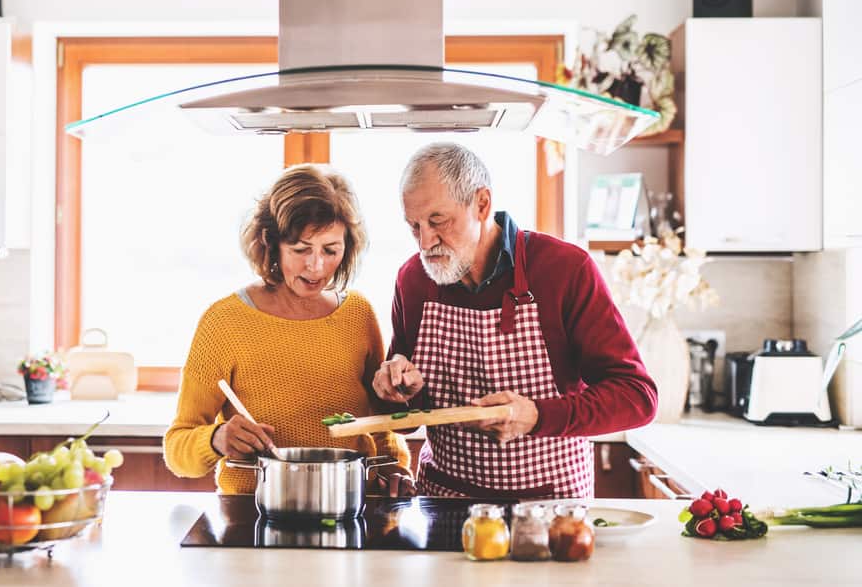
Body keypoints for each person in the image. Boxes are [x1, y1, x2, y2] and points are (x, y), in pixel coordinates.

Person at [372, 142, 658, 499]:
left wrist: (536, 415)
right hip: (444, 501)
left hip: (550, 506)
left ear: (482, 203)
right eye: (414, 226)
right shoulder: (413, 280)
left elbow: (637, 397)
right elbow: (404, 408)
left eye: (438, 221)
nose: (425, 242)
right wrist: (399, 389)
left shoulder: (564, 270)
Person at [164, 164, 414, 496]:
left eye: (330, 250)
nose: (316, 266)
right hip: (254, 513)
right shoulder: (224, 322)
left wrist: (394, 467)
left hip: (349, 503)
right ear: (271, 244)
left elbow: (380, 422)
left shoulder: (357, 313)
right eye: (300, 250)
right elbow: (177, 449)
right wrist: (215, 439)